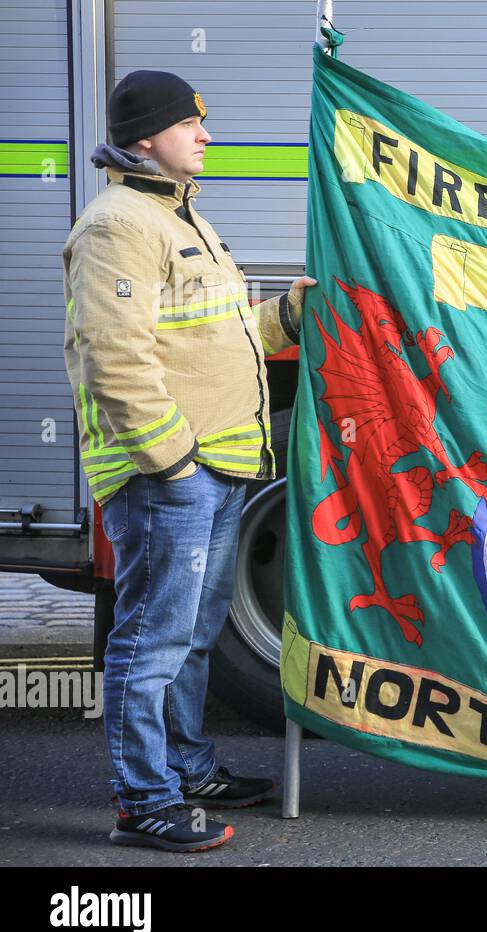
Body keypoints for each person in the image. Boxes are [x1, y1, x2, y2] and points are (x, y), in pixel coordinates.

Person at [62, 70, 317, 850]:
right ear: (147, 138)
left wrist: (290, 314)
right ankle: (143, 801)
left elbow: (224, 334)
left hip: (219, 470)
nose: (205, 136)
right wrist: (172, 464)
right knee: (152, 639)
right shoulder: (118, 226)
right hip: (172, 477)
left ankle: (187, 770)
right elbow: (113, 358)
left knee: (195, 632)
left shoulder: (179, 218)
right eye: (190, 124)